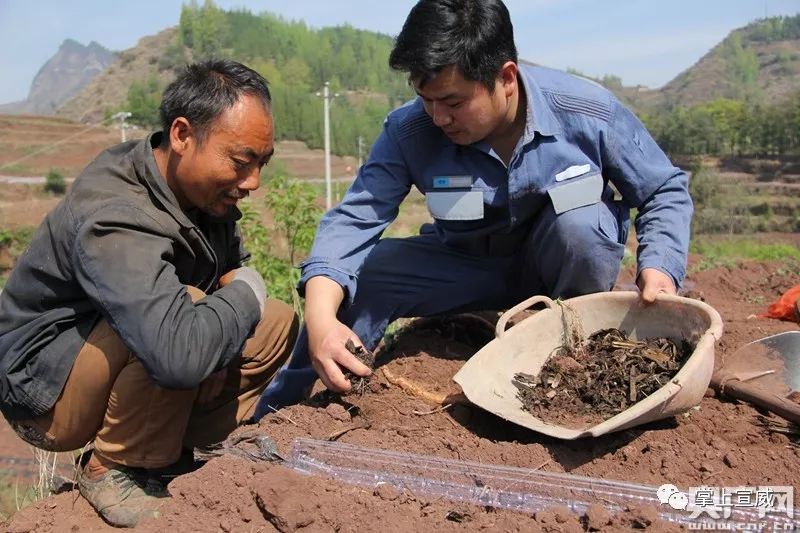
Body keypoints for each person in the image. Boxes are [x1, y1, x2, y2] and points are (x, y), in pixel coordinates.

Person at [255, 0, 692, 414]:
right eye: (426, 100)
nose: (438, 117)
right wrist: (319, 318)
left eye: (453, 103)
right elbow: (355, 220)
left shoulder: (587, 113)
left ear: (505, 78)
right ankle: (289, 408)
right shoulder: (411, 132)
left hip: (560, 275)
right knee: (364, 271)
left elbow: (662, 189)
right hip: (467, 269)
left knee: (583, 222)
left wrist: (660, 268)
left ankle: (573, 356)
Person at [0, 59, 299, 528]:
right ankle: (112, 468)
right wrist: (247, 289)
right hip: (46, 391)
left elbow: (229, 272)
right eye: (241, 162)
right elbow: (178, 347)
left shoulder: (202, 194)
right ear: (182, 135)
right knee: (192, 316)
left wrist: (236, 305)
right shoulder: (117, 212)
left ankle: (173, 449)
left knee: (275, 320)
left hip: (132, 350)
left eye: (263, 163)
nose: (253, 182)